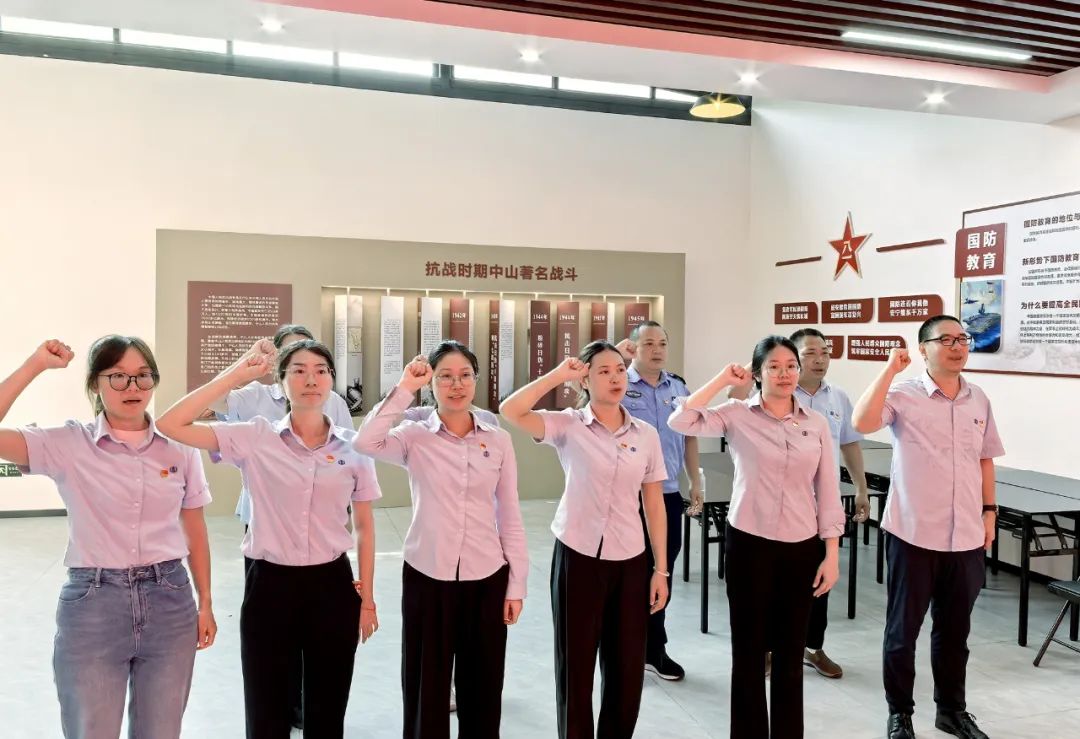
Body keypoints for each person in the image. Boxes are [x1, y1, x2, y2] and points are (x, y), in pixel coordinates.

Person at [157, 338, 379, 739]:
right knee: (265, 709)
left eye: (321, 371)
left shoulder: (353, 447)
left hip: (332, 584)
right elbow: (171, 423)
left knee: (328, 708)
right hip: (270, 584)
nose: (310, 379)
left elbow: (364, 525)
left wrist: (367, 600)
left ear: (332, 380)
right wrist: (237, 374)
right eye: (299, 370)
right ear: (281, 381)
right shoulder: (255, 437)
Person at [0, 336, 215, 738]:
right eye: (117, 377)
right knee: (92, 729)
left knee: (161, 731)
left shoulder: (179, 447)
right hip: (94, 603)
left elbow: (195, 528)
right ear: (95, 384)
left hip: (170, 600)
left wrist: (205, 602)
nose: (132, 387)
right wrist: (35, 364)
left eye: (143, 376)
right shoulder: (68, 443)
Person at [668, 335, 844, 739]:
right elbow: (681, 420)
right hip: (749, 543)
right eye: (773, 367)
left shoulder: (816, 423)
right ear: (758, 373)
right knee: (748, 651)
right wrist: (722, 380)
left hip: (801, 546)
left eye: (790, 366)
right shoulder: (736, 413)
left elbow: (828, 490)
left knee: (789, 653)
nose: (784, 374)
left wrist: (831, 554)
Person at [355, 340, 527, 739]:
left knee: (483, 689)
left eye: (465, 375)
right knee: (425, 688)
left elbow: (510, 514)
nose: (456, 384)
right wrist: (405, 388)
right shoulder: (414, 436)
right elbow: (365, 442)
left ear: (476, 380)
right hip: (427, 576)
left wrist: (516, 583)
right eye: (445, 377)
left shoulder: (497, 440)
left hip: (487, 576)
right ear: (432, 384)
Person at [500, 340, 669, 739]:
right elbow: (511, 410)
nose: (615, 377)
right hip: (578, 556)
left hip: (630, 559)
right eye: (603, 371)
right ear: (586, 381)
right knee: (575, 667)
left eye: (619, 369)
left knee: (627, 668)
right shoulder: (568, 425)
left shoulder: (645, 434)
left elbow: (654, 503)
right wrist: (559, 374)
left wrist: (660, 569)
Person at [852, 316, 1003, 739]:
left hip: (966, 536)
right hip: (913, 534)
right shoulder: (904, 394)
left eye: (963, 339)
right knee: (903, 632)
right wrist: (888, 369)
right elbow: (862, 422)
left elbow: (985, 458)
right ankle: (899, 713)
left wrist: (989, 511)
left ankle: (951, 711)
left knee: (955, 633)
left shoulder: (978, 399)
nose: (957, 347)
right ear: (924, 349)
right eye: (946, 340)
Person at [208, 323, 353, 730]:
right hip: (265, 528)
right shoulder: (254, 399)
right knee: (271, 638)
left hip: (320, 541)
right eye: (294, 362)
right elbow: (210, 405)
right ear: (277, 363)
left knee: (320, 642)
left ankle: (303, 704)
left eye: (316, 365)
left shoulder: (332, 401)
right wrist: (243, 366)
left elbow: (351, 456)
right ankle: (282, 702)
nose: (308, 375)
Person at [728, 327, 869, 679]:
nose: (819, 359)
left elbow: (849, 443)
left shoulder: (837, 398)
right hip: (767, 513)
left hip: (817, 507)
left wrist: (861, 487)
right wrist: (745, 374)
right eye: (809, 353)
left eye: (824, 352)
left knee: (816, 585)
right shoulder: (762, 400)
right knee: (768, 591)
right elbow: (729, 403)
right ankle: (766, 648)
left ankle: (811, 646)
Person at [615, 320, 701, 681]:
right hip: (626, 498)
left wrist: (695, 480)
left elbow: (690, 436)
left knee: (660, 573)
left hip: (667, 496)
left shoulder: (678, 387)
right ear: (633, 347)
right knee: (627, 577)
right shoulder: (619, 383)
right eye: (648, 343)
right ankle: (624, 650)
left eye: (662, 343)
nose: (657, 350)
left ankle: (654, 649)